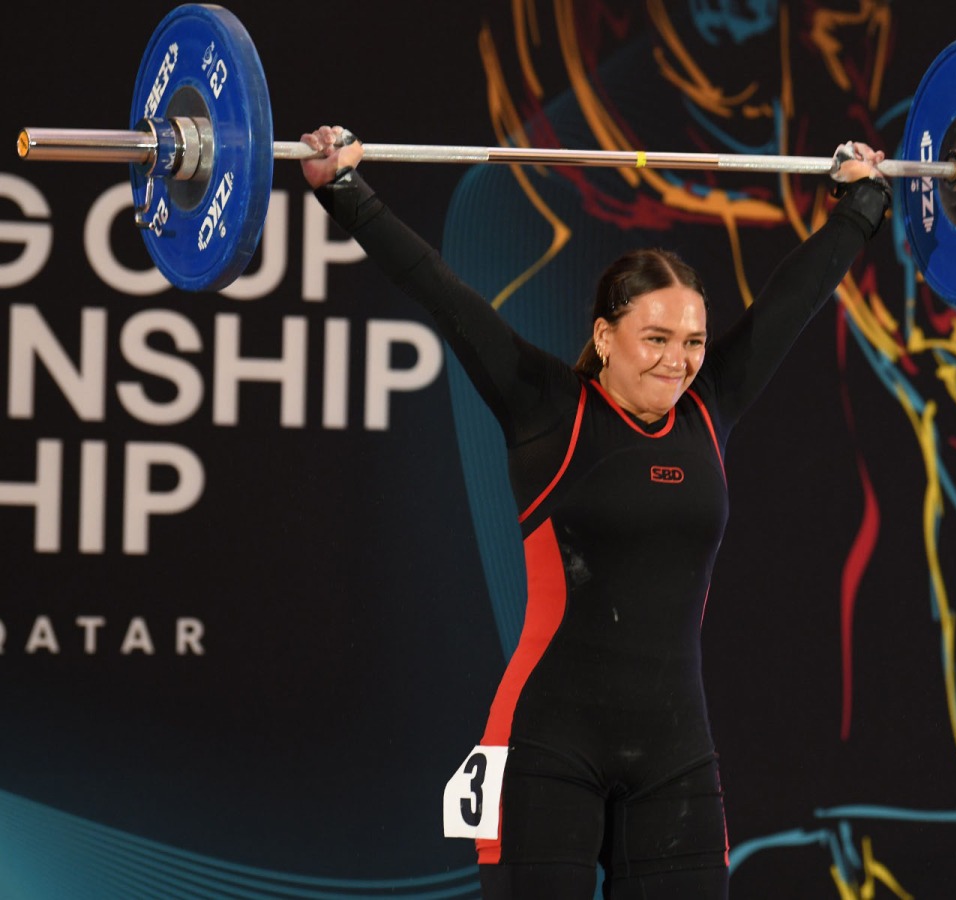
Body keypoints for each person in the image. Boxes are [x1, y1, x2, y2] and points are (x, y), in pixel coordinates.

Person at [300, 124, 889, 900]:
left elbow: (794, 299)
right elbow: (439, 290)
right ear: (604, 336)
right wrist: (342, 189)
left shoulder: (710, 411)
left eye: (692, 341)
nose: (677, 359)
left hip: (676, 754)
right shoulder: (544, 406)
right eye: (654, 337)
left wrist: (862, 205)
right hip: (547, 746)